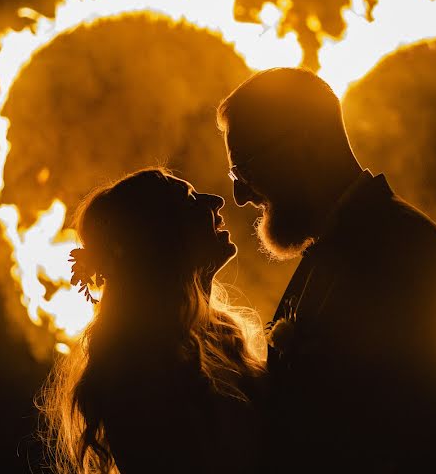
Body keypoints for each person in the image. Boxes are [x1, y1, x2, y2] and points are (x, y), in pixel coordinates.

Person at [217, 67, 436, 471]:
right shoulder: (345, 244)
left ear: (305, 144)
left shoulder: (394, 251)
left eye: (246, 168)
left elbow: (378, 436)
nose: (239, 195)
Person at [35, 167, 267, 473]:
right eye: (189, 199)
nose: (215, 201)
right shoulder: (136, 371)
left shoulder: (221, 336)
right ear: (159, 237)